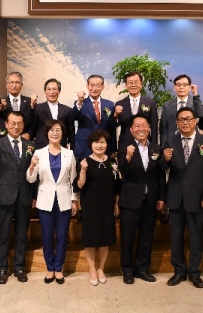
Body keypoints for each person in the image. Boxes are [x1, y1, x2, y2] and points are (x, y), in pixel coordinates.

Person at [158, 107, 203, 288]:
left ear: (195, 121)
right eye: (181, 119)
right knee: (176, 237)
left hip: (198, 198)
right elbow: (162, 168)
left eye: (188, 119)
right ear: (177, 122)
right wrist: (165, 159)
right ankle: (179, 271)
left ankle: (194, 273)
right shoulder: (170, 140)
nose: (185, 122)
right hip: (175, 198)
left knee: (196, 238)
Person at [0, 111, 34, 284]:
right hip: (4, 195)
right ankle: (2, 268)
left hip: (24, 195)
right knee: (3, 234)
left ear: (23, 125)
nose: (16, 126)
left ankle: (19, 267)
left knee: (21, 234)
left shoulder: (30, 145)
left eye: (19, 123)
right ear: (6, 125)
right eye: (12, 123)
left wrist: (33, 195)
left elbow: (34, 172)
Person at [27, 120, 78, 284]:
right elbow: (31, 179)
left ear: (62, 134)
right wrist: (31, 165)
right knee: (47, 235)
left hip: (64, 199)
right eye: (51, 130)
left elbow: (73, 180)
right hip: (45, 200)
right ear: (47, 133)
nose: (55, 133)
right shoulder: (39, 153)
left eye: (58, 130)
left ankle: (59, 268)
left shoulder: (69, 154)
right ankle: (50, 268)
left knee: (62, 235)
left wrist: (74, 200)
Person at [117, 115, 165, 284]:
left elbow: (160, 175)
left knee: (146, 237)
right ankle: (127, 270)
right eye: (137, 126)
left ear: (149, 128)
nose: (141, 129)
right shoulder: (125, 148)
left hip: (150, 200)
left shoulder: (156, 149)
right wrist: (128, 157)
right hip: (130, 200)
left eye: (144, 125)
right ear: (131, 130)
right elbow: (122, 171)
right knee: (127, 237)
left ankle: (143, 269)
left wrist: (161, 197)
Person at [74, 129, 119, 286]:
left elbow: (117, 184)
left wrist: (116, 202)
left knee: (105, 238)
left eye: (102, 142)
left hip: (107, 204)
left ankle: (101, 268)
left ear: (106, 144)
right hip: (90, 205)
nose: (99, 145)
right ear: (90, 144)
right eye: (96, 142)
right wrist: (83, 170)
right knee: (91, 238)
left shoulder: (112, 162)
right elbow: (79, 185)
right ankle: (92, 269)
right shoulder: (85, 161)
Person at [71, 74, 116, 160]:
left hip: (104, 148)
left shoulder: (110, 104)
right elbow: (74, 116)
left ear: (102, 87)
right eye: (92, 85)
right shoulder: (81, 103)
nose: (94, 89)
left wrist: (113, 149)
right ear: (87, 86)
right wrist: (79, 102)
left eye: (98, 86)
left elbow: (112, 128)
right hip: (84, 147)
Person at [114, 71, 158, 148]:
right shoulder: (119, 104)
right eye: (130, 83)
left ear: (141, 84)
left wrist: (154, 147)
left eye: (136, 82)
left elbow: (154, 127)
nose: (133, 85)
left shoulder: (150, 103)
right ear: (126, 85)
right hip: (125, 145)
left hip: (145, 144)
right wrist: (115, 115)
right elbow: (115, 125)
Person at [159, 74, 203, 147]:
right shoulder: (167, 105)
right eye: (178, 85)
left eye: (185, 85)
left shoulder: (195, 103)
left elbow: (200, 114)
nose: (181, 87)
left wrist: (195, 94)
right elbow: (163, 128)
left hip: (191, 143)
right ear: (174, 88)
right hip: (172, 144)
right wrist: (163, 147)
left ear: (189, 87)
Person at [30, 78, 75, 149]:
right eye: (49, 89)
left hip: (61, 147)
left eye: (54, 89)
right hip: (41, 147)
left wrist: (71, 149)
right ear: (45, 92)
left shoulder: (67, 110)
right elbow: (31, 126)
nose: (52, 92)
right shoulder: (37, 108)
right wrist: (32, 106)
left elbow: (71, 133)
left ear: (59, 91)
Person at [0, 71, 37, 138]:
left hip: (25, 140)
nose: (14, 86)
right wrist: (2, 109)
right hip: (6, 139)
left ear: (21, 85)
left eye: (17, 82)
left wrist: (29, 134)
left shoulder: (30, 101)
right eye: (11, 82)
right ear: (6, 85)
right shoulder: (1, 102)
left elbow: (35, 122)